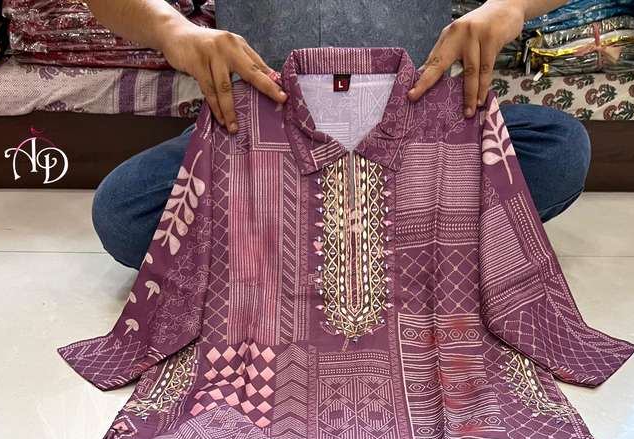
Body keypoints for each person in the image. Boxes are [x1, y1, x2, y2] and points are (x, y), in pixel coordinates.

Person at [86, 0, 591, 270]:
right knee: (126, 214)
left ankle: (305, 248)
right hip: (262, 137)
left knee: (559, 150)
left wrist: (511, 6)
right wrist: (174, 29)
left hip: (416, 135)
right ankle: (399, 245)